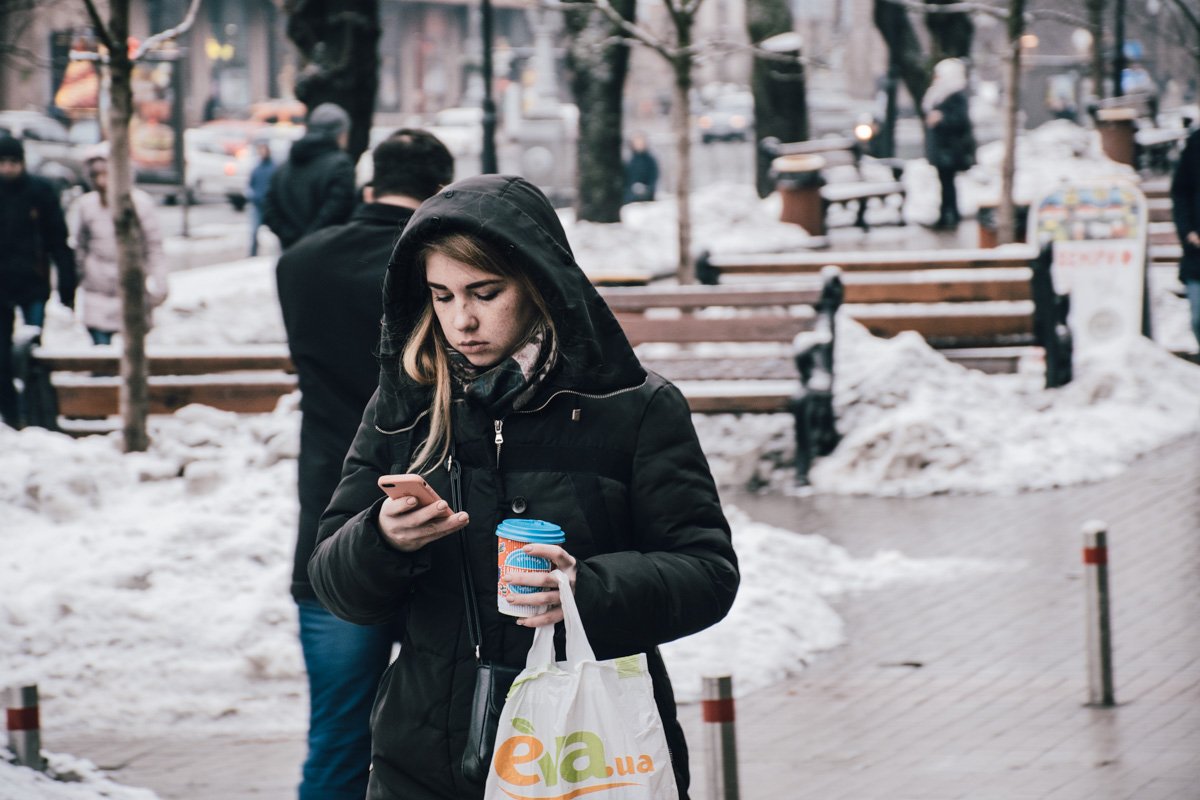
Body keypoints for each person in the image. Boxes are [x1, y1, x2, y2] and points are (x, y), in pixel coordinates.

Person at [308, 174, 740, 800]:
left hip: (587, 750)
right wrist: (382, 538)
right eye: (442, 295)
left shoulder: (633, 408)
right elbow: (333, 581)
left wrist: (586, 590)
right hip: (426, 754)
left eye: (485, 292)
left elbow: (707, 571)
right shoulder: (407, 403)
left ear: (539, 282)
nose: (463, 319)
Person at [275, 128, 455, 800]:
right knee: (449, 737)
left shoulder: (299, 263)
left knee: (338, 739)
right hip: (441, 519)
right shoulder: (437, 269)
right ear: (440, 190)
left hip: (332, 526)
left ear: (368, 184)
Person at [0, 134, 77, 427]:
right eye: (2, 163)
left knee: (32, 353)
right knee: (2, 357)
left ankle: (34, 410)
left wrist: (67, 284)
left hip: (33, 283)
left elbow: (57, 239)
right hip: (2, 287)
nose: (7, 169)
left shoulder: (39, 192)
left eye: (12, 163)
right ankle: (11, 413)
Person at [70, 143, 168, 346]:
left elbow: (153, 246)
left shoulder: (140, 204)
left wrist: (160, 283)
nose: (101, 181)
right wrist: (74, 279)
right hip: (97, 289)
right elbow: (80, 246)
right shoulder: (87, 206)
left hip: (131, 287)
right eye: (96, 175)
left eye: (106, 174)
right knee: (101, 354)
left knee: (132, 352)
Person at [262, 102, 356, 250]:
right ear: (341, 134)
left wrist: (290, 238)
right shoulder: (340, 165)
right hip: (326, 253)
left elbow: (268, 209)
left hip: (289, 254)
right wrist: (309, 240)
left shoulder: (284, 167)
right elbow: (338, 210)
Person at [923, 58, 976, 230]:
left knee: (948, 183)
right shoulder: (939, 95)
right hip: (942, 148)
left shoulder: (956, 95)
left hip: (950, 149)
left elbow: (961, 121)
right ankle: (947, 213)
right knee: (944, 182)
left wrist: (941, 119)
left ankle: (949, 215)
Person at [1170, 128, 1200, 350]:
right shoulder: (1196, 143)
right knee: (1198, 319)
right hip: (1197, 253)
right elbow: (1181, 191)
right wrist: (1188, 230)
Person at [246, 139, 277, 257]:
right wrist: (253, 196)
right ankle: (252, 255)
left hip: (268, 205)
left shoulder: (273, 168)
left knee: (274, 232)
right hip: (257, 205)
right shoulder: (257, 168)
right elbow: (250, 184)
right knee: (254, 232)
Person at [623, 132, 659, 204]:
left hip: (647, 193)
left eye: (641, 142)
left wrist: (647, 189)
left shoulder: (650, 160)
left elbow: (653, 177)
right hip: (631, 194)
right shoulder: (630, 160)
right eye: (637, 142)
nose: (639, 144)